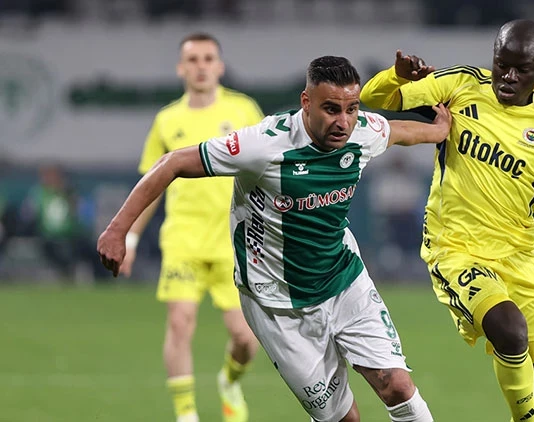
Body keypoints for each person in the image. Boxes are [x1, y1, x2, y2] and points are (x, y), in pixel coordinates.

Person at [98, 55, 450, 422]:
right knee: (345, 419)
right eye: (331, 109)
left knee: (397, 386)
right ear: (306, 102)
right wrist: (118, 230)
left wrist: (439, 129)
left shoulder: (362, 131)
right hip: (277, 303)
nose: (344, 122)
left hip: (344, 283)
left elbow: (402, 132)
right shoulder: (263, 145)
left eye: (351, 109)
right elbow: (171, 163)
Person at [361, 19, 534, 422]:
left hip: (518, 255)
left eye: (522, 69)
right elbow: (375, 97)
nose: (508, 76)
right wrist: (396, 76)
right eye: (502, 65)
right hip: (455, 248)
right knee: (510, 330)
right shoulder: (460, 85)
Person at [119, 32, 264, 422]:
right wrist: (130, 237)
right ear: (181, 68)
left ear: (220, 66)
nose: (201, 66)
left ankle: (229, 381)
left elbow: (269, 167)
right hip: (183, 240)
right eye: (193, 60)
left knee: (245, 338)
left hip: (235, 242)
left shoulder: (244, 110)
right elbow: (149, 186)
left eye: (208, 58)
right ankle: (186, 415)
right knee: (180, 323)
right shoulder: (167, 120)